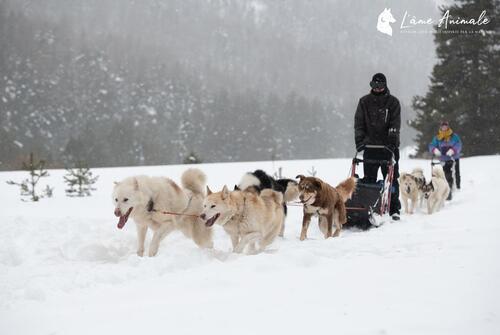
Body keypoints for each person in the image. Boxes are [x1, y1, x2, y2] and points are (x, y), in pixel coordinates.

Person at [354, 73, 401, 220]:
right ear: (371, 85)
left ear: (385, 85)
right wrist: (360, 142)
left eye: (380, 86)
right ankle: (370, 207)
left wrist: (391, 143)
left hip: (388, 148)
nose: (378, 88)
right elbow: (359, 123)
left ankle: (394, 209)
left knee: (392, 180)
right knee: (369, 180)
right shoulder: (364, 102)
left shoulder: (393, 103)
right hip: (370, 147)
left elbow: (395, 124)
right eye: (375, 85)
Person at [428, 121, 462, 200]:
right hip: (443, 158)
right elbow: (431, 145)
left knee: (455, 173)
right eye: (443, 126)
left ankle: (457, 187)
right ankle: (445, 190)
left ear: (448, 127)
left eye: (445, 126)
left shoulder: (454, 136)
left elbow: (458, 144)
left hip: (453, 158)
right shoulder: (438, 137)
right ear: (440, 127)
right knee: (445, 175)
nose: (444, 128)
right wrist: (434, 150)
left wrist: (453, 150)